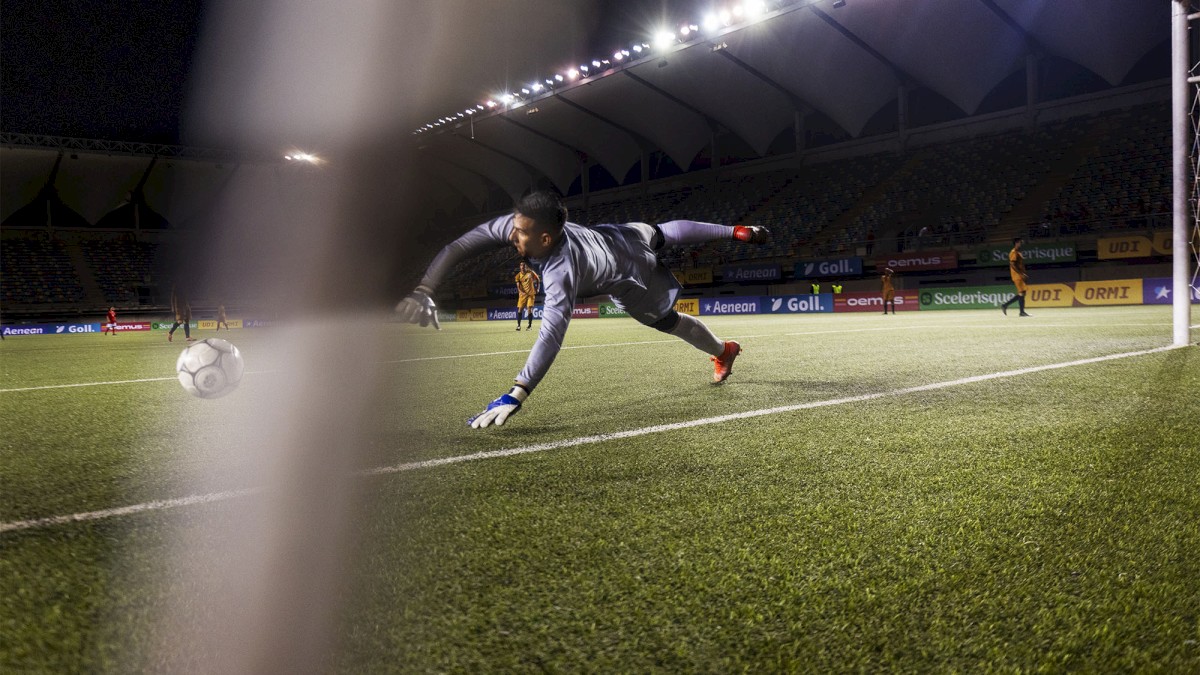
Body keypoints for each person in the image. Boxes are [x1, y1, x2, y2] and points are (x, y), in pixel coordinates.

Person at [395, 190, 769, 429]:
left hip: (629, 272)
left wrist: (517, 392)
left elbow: (552, 333)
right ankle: (734, 238)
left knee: (667, 321)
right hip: (621, 233)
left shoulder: (561, 271)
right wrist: (425, 288)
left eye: (521, 232)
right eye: (513, 225)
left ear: (545, 238)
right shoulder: (518, 227)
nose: (511, 235)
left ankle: (725, 351)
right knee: (657, 231)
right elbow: (459, 246)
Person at [1000, 237, 1031, 317]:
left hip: (1019, 275)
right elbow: (1012, 264)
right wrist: (1021, 273)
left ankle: (1005, 305)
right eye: (1020, 242)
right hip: (1017, 276)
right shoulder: (1013, 252)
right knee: (1021, 293)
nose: (1021, 244)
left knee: (1023, 293)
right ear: (1016, 243)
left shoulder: (1018, 252)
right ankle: (1021, 312)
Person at [513, 261, 540, 331]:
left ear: (526, 267)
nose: (523, 268)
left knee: (529, 308)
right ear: (520, 267)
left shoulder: (530, 273)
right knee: (520, 309)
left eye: (524, 267)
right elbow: (518, 287)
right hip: (522, 295)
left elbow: (538, 279)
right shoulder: (518, 276)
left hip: (531, 294)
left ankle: (529, 326)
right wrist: (521, 292)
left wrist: (538, 289)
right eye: (521, 267)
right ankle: (518, 326)